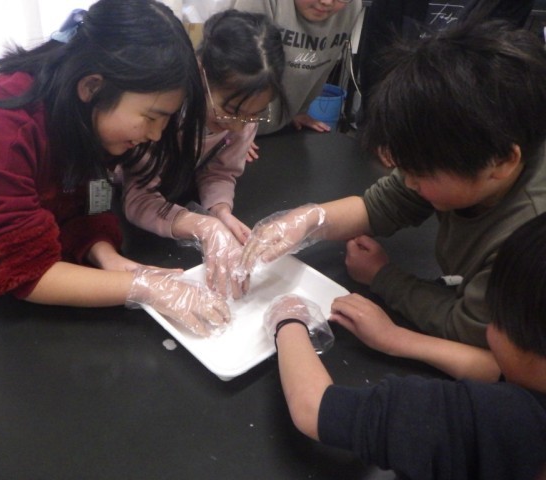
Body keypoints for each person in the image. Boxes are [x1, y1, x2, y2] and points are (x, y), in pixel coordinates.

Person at [0, 0, 230, 337]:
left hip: (8, 229)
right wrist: (144, 288)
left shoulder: (91, 119)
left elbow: (84, 201)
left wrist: (109, 258)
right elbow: (26, 272)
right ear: (92, 87)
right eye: (151, 117)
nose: (156, 135)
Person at [240, 21, 546, 373]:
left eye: (420, 173)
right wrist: (308, 220)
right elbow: (383, 205)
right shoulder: (462, 154)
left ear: (502, 162)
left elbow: (470, 331)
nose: (409, 182)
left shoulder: (529, 240)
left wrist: (383, 277)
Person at [264, 212, 546, 480]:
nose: (489, 330)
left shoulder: (490, 420)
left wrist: (288, 319)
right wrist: (396, 338)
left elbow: (315, 409)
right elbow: (495, 369)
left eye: (496, 318)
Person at [121, 9, 287, 299]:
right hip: (121, 211)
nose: (239, 126)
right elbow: (138, 197)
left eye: (254, 115)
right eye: (229, 111)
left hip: (174, 194)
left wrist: (220, 211)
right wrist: (202, 226)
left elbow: (220, 171)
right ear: (201, 72)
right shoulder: (161, 117)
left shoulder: (243, 114)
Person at [232, 0, 362, 134]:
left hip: (276, 126)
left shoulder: (351, 7)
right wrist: (237, 128)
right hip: (232, 124)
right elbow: (234, 72)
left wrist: (297, 111)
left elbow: (322, 65)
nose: (327, 2)